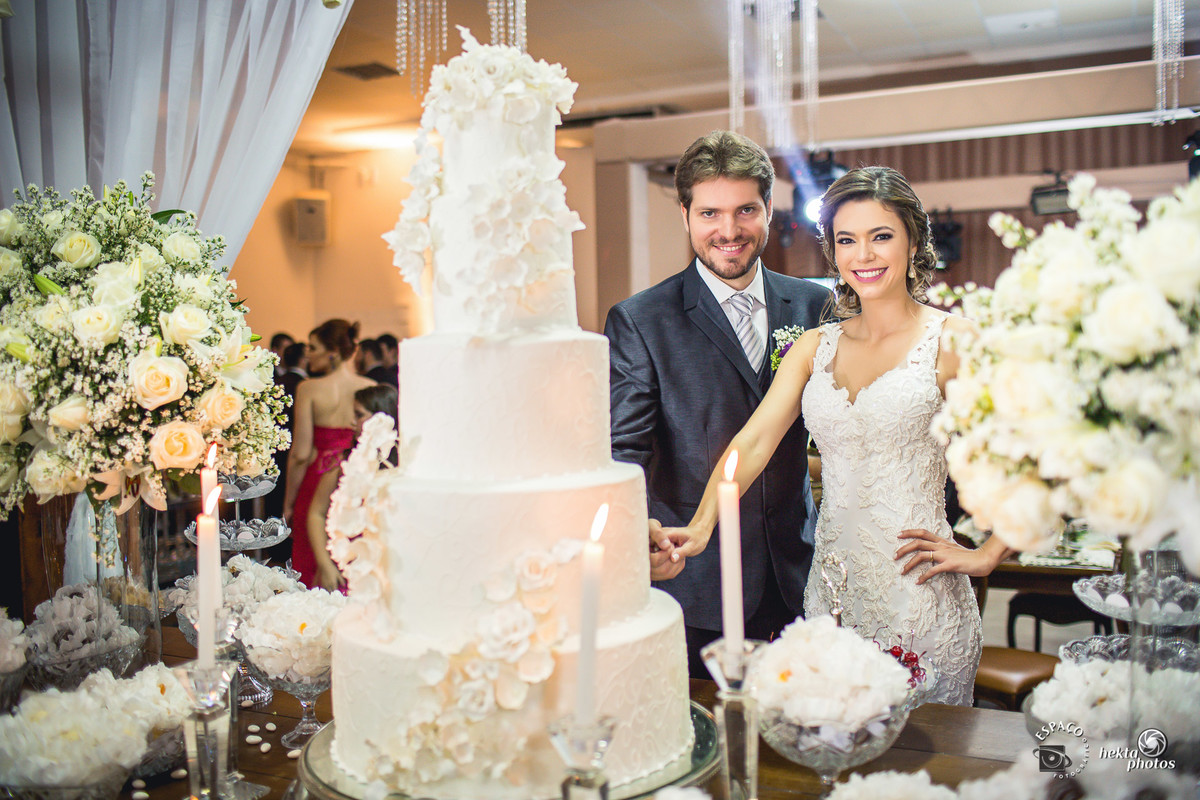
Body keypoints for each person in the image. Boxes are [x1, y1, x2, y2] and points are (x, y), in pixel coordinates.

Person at [658, 166, 1013, 704]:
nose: (863, 255)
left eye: (881, 236)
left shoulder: (953, 341)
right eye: (847, 240)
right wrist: (702, 526)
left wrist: (987, 554)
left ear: (913, 241)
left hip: (918, 593)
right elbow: (752, 443)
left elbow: (1039, 450)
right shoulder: (813, 347)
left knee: (924, 752)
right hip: (831, 594)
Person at [605, 130, 831, 678]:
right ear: (685, 215)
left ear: (769, 209)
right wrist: (637, 532)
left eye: (745, 210)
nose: (729, 231)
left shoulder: (815, 305)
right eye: (710, 213)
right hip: (697, 581)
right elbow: (623, 451)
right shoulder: (641, 320)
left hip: (801, 573)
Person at [283, 319, 377, 588]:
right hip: (355, 481)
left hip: (317, 480)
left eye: (313, 348)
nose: (308, 354)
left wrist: (289, 503)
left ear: (333, 352)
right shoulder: (369, 386)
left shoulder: (308, 388)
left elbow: (301, 454)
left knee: (311, 560)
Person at [305, 383, 398, 591]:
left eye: (359, 414)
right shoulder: (343, 463)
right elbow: (316, 513)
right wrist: (325, 564)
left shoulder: (402, 466)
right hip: (347, 562)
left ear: (381, 417)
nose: (352, 422)